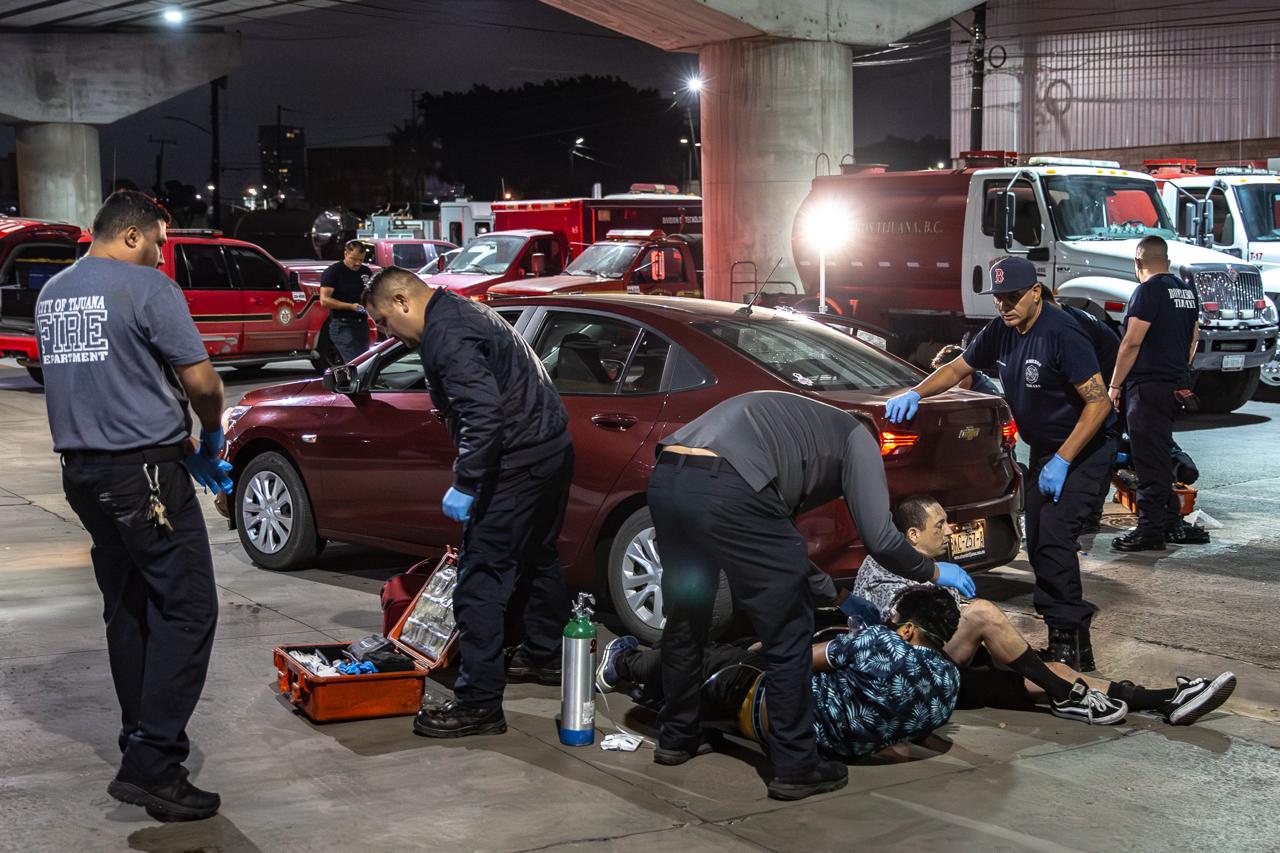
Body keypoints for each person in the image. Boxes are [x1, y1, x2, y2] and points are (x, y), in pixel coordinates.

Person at [647, 390, 976, 800]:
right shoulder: (859, 439)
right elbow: (880, 536)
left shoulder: (799, 432)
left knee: (688, 616)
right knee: (788, 632)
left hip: (669, 479)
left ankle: (677, 737)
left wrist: (838, 597)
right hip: (730, 484)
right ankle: (796, 766)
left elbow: (783, 549)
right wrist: (934, 569)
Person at [35, 191, 233, 822]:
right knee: (189, 605)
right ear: (129, 236)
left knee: (131, 608)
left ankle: (137, 736)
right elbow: (201, 380)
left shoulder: (53, 294)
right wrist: (210, 434)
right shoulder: (147, 288)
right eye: (157, 241)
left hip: (82, 474)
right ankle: (152, 762)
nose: (160, 253)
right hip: (144, 473)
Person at [361, 267, 573, 738]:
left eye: (383, 322)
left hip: (517, 461)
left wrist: (468, 482)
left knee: (481, 578)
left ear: (401, 301)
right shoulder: (462, 309)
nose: (384, 332)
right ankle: (546, 655)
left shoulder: (446, 334)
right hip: (550, 448)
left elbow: (482, 412)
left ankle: (479, 704)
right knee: (538, 555)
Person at [886, 256, 1113, 672]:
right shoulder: (1001, 331)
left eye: (1012, 297)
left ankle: (1071, 645)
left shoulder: (1062, 334)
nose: (1005, 306)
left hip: (1084, 447)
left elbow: (1099, 402)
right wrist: (916, 392)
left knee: (1055, 539)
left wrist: (1063, 459)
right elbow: (958, 367)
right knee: (1040, 538)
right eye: (998, 298)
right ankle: (1064, 637)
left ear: (1035, 293)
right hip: (1047, 448)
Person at [853, 496, 1235, 725]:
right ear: (913, 536)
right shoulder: (885, 563)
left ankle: (1167, 700)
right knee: (984, 613)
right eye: (940, 525)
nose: (950, 530)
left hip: (950, 669)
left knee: (1055, 672)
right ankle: (1066, 696)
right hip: (905, 675)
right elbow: (904, 629)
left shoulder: (930, 567)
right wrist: (955, 603)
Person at [596, 586, 963, 766]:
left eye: (894, 621)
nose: (888, 624)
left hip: (769, 712)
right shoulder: (950, 682)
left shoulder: (883, 644)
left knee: (703, 656)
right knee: (736, 656)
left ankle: (623, 664)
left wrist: (758, 651)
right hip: (828, 749)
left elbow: (795, 663)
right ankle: (665, 697)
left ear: (910, 630)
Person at [1108, 236, 1200, 552]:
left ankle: (1149, 531)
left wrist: (1115, 385)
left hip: (1147, 388)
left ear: (1138, 261)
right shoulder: (1185, 291)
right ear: (1167, 259)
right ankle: (1171, 522)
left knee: (1148, 461)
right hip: (1175, 385)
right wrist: (1179, 372)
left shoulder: (1147, 291)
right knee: (1160, 455)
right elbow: (1194, 338)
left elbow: (1132, 342)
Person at [1041, 289, 1122, 534]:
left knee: (1101, 446)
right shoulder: (1064, 316)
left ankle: (1088, 516)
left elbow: (1087, 377)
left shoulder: (1071, 326)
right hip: (1103, 379)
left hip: (1110, 383)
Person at [319, 239, 373, 364]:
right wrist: (350, 306)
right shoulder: (334, 272)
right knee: (354, 362)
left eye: (361, 259)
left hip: (362, 324)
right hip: (342, 324)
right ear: (346, 254)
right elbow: (324, 300)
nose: (357, 263)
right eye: (354, 259)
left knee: (366, 362)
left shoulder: (366, 272)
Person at [931, 345, 1001, 395]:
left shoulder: (987, 395)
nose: (946, 383)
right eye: (942, 376)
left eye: (949, 377)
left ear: (967, 370)